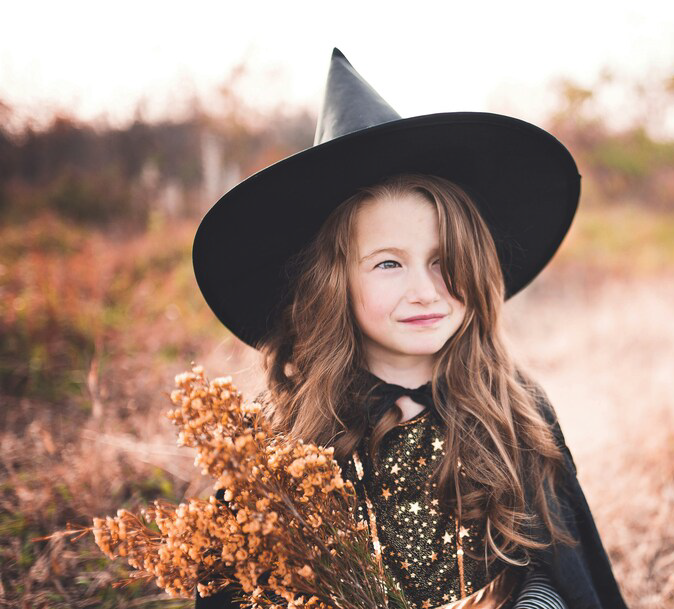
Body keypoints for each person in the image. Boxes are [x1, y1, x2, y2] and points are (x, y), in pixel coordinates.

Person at [190, 49, 629, 609]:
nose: (425, 289)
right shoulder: (287, 435)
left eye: (445, 260)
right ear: (334, 285)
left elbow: (550, 564)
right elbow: (245, 586)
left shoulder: (512, 409)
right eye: (388, 263)